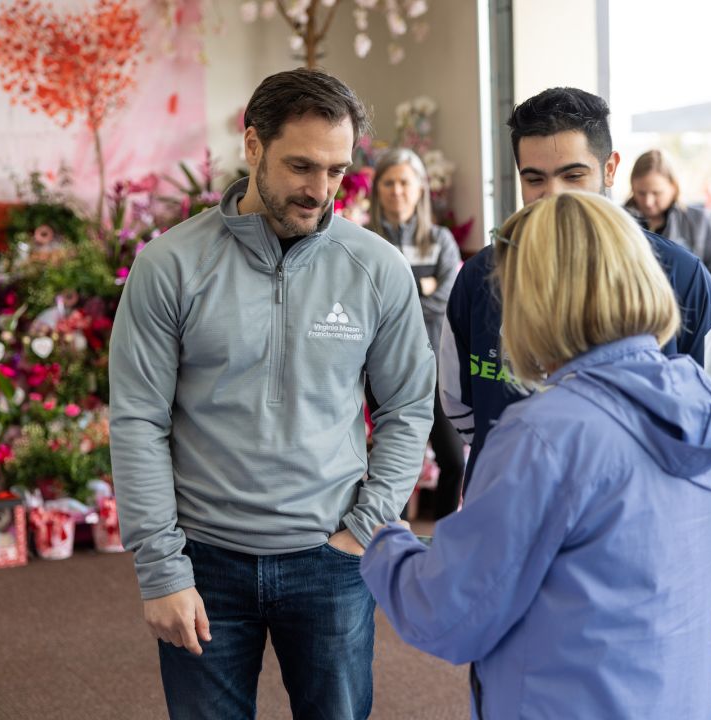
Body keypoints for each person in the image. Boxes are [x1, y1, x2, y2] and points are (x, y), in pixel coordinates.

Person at [109, 68, 435, 720]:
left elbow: (407, 407)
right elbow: (138, 421)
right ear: (252, 146)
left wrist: (365, 529)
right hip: (205, 562)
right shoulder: (169, 265)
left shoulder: (376, 269)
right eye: (301, 166)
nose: (320, 191)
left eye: (338, 171)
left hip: (331, 562)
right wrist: (162, 570)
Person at [362, 192, 711, 719]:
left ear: (537, 298)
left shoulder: (544, 434)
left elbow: (448, 612)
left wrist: (382, 542)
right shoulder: (695, 402)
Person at [441, 86, 711, 489]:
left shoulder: (681, 277)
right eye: (535, 179)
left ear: (610, 169)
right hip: (507, 520)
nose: (554, 195)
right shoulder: (481, 278)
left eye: (573, 175)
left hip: (628, 529)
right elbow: (459, 404)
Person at [367, 148, 464, 519]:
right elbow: (365, 306)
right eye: (388, 182)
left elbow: (443, 300)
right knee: (392, 463)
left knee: (453, 459)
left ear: (420, 188)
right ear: (378, 189)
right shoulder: (366, 241)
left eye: (404, 182)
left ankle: (441, 542)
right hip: (383, 367)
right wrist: (419, 285)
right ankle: (392, 540)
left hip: (436, 368)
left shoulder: (441, 240)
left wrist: (395, 298)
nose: (397, 190)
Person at [625, 149, 711, 294]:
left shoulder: (698, 222)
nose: (648, 201)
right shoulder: (619, 221)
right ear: (632, 187)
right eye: (641, 193)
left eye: (656, 193)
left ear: (673, 187)